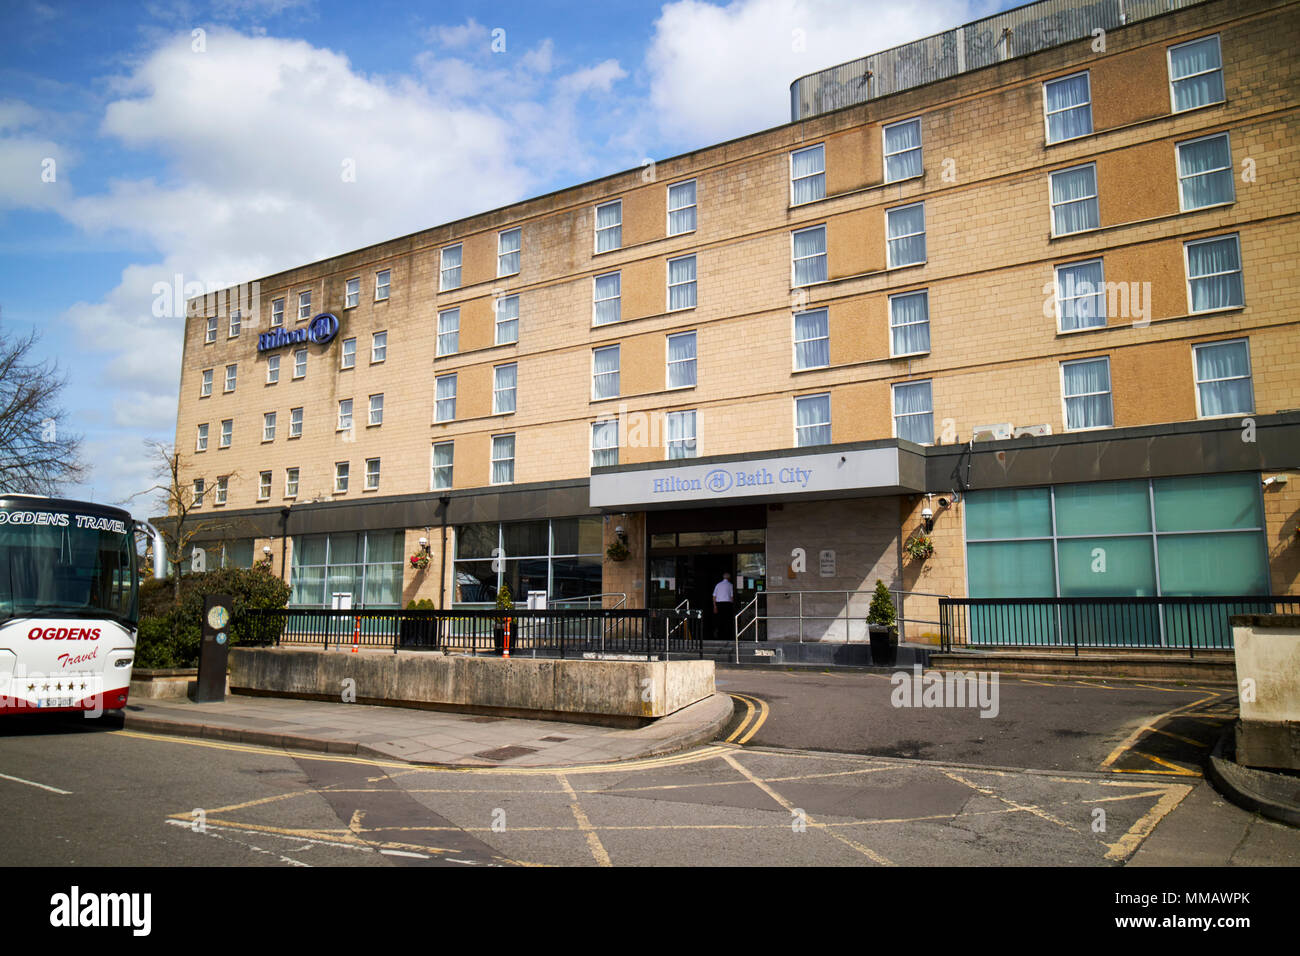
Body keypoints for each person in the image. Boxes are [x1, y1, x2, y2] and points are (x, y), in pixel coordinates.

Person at [712, 571, 735, 641]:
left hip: (719, 604)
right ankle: (727, 636)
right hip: (727, 604)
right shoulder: (730, 585)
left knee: (719, 620)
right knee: (727, 621)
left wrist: (715, 606)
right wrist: (733, 604)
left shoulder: (718, 585)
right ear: (729, 578)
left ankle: (719, 635)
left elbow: (714, 596)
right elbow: (732, 597)